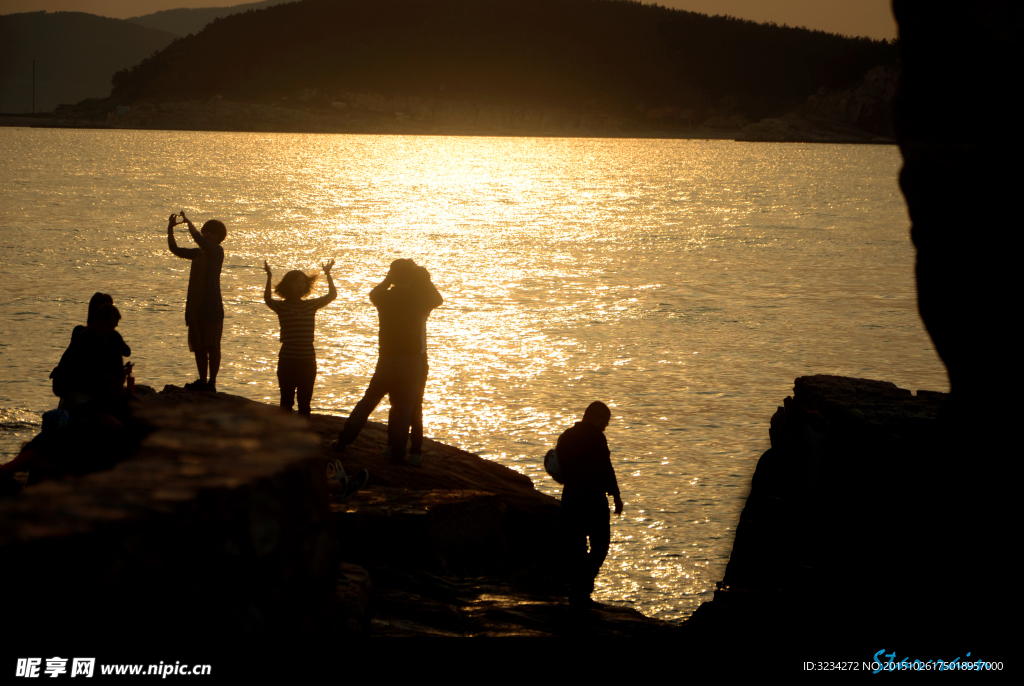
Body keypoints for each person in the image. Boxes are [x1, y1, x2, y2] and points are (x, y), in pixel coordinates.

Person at [331, 259, 442, 466]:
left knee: (368, 401)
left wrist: (387, 279)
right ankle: (398, 453)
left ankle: (343, 441)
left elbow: (374, 292)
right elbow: (438, 298)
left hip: (387, 358)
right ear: (410, 277)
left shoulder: (383, 296)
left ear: (392, 275)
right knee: (404, 407)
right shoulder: (419, 299)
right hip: (411, 360)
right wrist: (423, 279)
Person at [556, 401, 624, 608]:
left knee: (576, 546)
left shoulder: (565, 436)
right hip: (593, 498)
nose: (605, 426)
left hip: (570, 496)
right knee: (600, 545)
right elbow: (605, 467)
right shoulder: (596, 437)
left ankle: (578, 591)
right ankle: (582, 589)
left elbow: (558, 468)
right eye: (605, 421)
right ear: (595, 417)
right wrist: (616, 495)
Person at [262, 259, 337, 416]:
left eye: (302, 283)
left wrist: (328, 274)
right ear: (288, 285)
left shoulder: (310, 305)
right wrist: (269, 276)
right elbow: (268, 299)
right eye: (296, 283)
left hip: (307, 359)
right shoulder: (281, 306)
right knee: (286, 401)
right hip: (288, 359)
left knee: (304, 402)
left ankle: (303, 434)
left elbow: (332, 295)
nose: (300, 285)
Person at [166, 211, 226, 391]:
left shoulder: (217, 251)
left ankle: (212, 383)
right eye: (206, 230)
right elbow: (175, 250)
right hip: (196, 306)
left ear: (219, 238)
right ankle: (202, 381)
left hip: (212, 306)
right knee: (199, 346)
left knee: (212, 346)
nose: (208, 234)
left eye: (212, 233)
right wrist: (170, 229)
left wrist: (189, 224)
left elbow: (199, 240)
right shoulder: (199, 253)